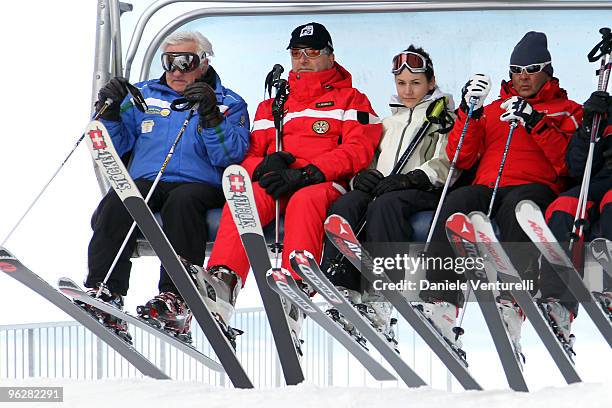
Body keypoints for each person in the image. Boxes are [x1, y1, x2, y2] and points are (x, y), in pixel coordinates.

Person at [202, 22, 382, 344]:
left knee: (306, 201)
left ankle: (293, 290)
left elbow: (359, 149)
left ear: (330, 55)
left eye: (312, 52)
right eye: (297, 53)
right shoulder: (273, 104)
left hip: (322, 183)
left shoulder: (352, 99)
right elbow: (249, 155)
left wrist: (310, 172)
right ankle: (223, 282)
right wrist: (263, 167)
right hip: (278, 182)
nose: (303, 59)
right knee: (248, 196)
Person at [421, 32, 582, 352]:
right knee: (456, 203)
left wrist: (534, 122)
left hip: (535, 187)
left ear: (547, 70)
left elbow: (570, 164)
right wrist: (469, 111)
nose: (522, 76)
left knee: (519, 210)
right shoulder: (493, 109)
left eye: (532, 68)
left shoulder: (568, 110)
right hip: (488, 186)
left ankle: (512, 300)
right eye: (516, 69)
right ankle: (441, 299)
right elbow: (459, 158)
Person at [83, 31, 250, 340]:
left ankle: (176, 299)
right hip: (148, 179)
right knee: (119, 200)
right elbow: (114, 145)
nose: (176, 71)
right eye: (169, 62)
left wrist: (211, 116)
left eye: (185, 62)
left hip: (200, 184)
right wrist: (109, 110)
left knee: (182, 203)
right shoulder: (144, 95)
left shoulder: (229, 102)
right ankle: (106, 291)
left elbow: (231, 156)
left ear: (203, 62)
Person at [319, 45, 456, 341]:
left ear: (431, 82)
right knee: (349, 203)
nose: (408, 90)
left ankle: (381, 296)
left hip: (420, 191)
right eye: (402, 83)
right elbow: (369, 158)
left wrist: (416, 178)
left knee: (385, 206)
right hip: (385, 187)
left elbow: (449, 161)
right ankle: (342, 284)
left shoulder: (442, 117)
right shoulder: (387, 122)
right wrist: (362, 179)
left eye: (416, 83)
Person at [543, 90, 612, 338]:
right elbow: (576, 168)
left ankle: (608, 287)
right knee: (566, 206)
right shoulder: (605, 113)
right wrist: (587, 128)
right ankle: (559, 304)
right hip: (603, 180)